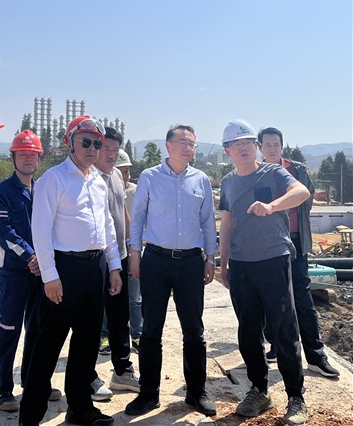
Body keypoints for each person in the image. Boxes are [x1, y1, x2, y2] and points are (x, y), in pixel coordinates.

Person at [19, 116, 122, 426]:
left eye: (96, 143)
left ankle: (80, 408)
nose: (92, 148)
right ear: (70, 143)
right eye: (85, 142)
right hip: (64, 269)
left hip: (95, 267)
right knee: (47, 346)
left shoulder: (98, 181)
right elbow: (40, 230)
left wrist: (114, 267)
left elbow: (107, 226)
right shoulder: (53, 179)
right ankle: (30, 417)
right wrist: (50, 275)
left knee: (87, 343)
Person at [219, 119, 310, 425]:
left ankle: (296, 397)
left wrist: (272, 206)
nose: (243, 148)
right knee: (248, 331)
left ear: (255, 147)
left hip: (273, 259)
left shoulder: (273, 173)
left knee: (284, 329)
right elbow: (227, 223)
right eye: (237, 144)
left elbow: (301, 192)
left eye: (248, 143)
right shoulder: (228, 182)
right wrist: (224, 262)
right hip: (242, 265)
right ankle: (259, 391)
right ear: (228, 150)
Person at [125, 125, 218, 418]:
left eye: (192, 143)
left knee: (194, 330)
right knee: (151, 330)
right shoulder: (150, 177)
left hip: (191, 262)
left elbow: (208, 220)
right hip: (156, 261)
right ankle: (148, 394)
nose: (188, 147)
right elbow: (138, 218)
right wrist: (135, 256)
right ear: (168, 145)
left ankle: (196, 392)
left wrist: (210, 258)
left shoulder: (200, 179)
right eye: (183, 142)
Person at [258, 127, 339, 377]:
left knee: (302, 298)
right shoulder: (256, 173)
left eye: (276, 144)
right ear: (260, 147)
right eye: (267, 145)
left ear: (282, 146)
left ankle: (315, 355)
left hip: (295, 241)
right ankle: (276, 346)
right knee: (273, 298)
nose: (272, 149)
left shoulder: (298, 170)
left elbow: (307, 197)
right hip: (269, 244)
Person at [0, 130, 62, 411]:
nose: (29, 159)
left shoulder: (44, 189)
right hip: (13, 274)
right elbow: (4, 231)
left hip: (41, 273)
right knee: (9, 330)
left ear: (39, 158)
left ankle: (35, 383)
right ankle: (2, 390)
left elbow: (54, 226)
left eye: (33, 154)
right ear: (13, 157)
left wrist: (45, 261)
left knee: (38, 330)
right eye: (23, 154)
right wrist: (31, 255)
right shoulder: (2, 192)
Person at [91, 128, 139, 399]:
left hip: (119, 255)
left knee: (121, 317)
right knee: (91, 319)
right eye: (105, 148)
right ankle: (88, 376)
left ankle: (122, 371)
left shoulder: (116, 177)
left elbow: (122, 213)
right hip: (96, 259)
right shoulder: (88, 177)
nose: (110, 154)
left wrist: (132, 249)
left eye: (114, 150)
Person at [115, 148, 142, 351]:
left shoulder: (136, 191)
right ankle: (106, 335)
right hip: (112, 251)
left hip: (133, 249)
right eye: (121, 171)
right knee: (111, 295)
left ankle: (137, 333)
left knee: (135, 296)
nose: (126, 175)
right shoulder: (105, 189)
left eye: (127, 171)